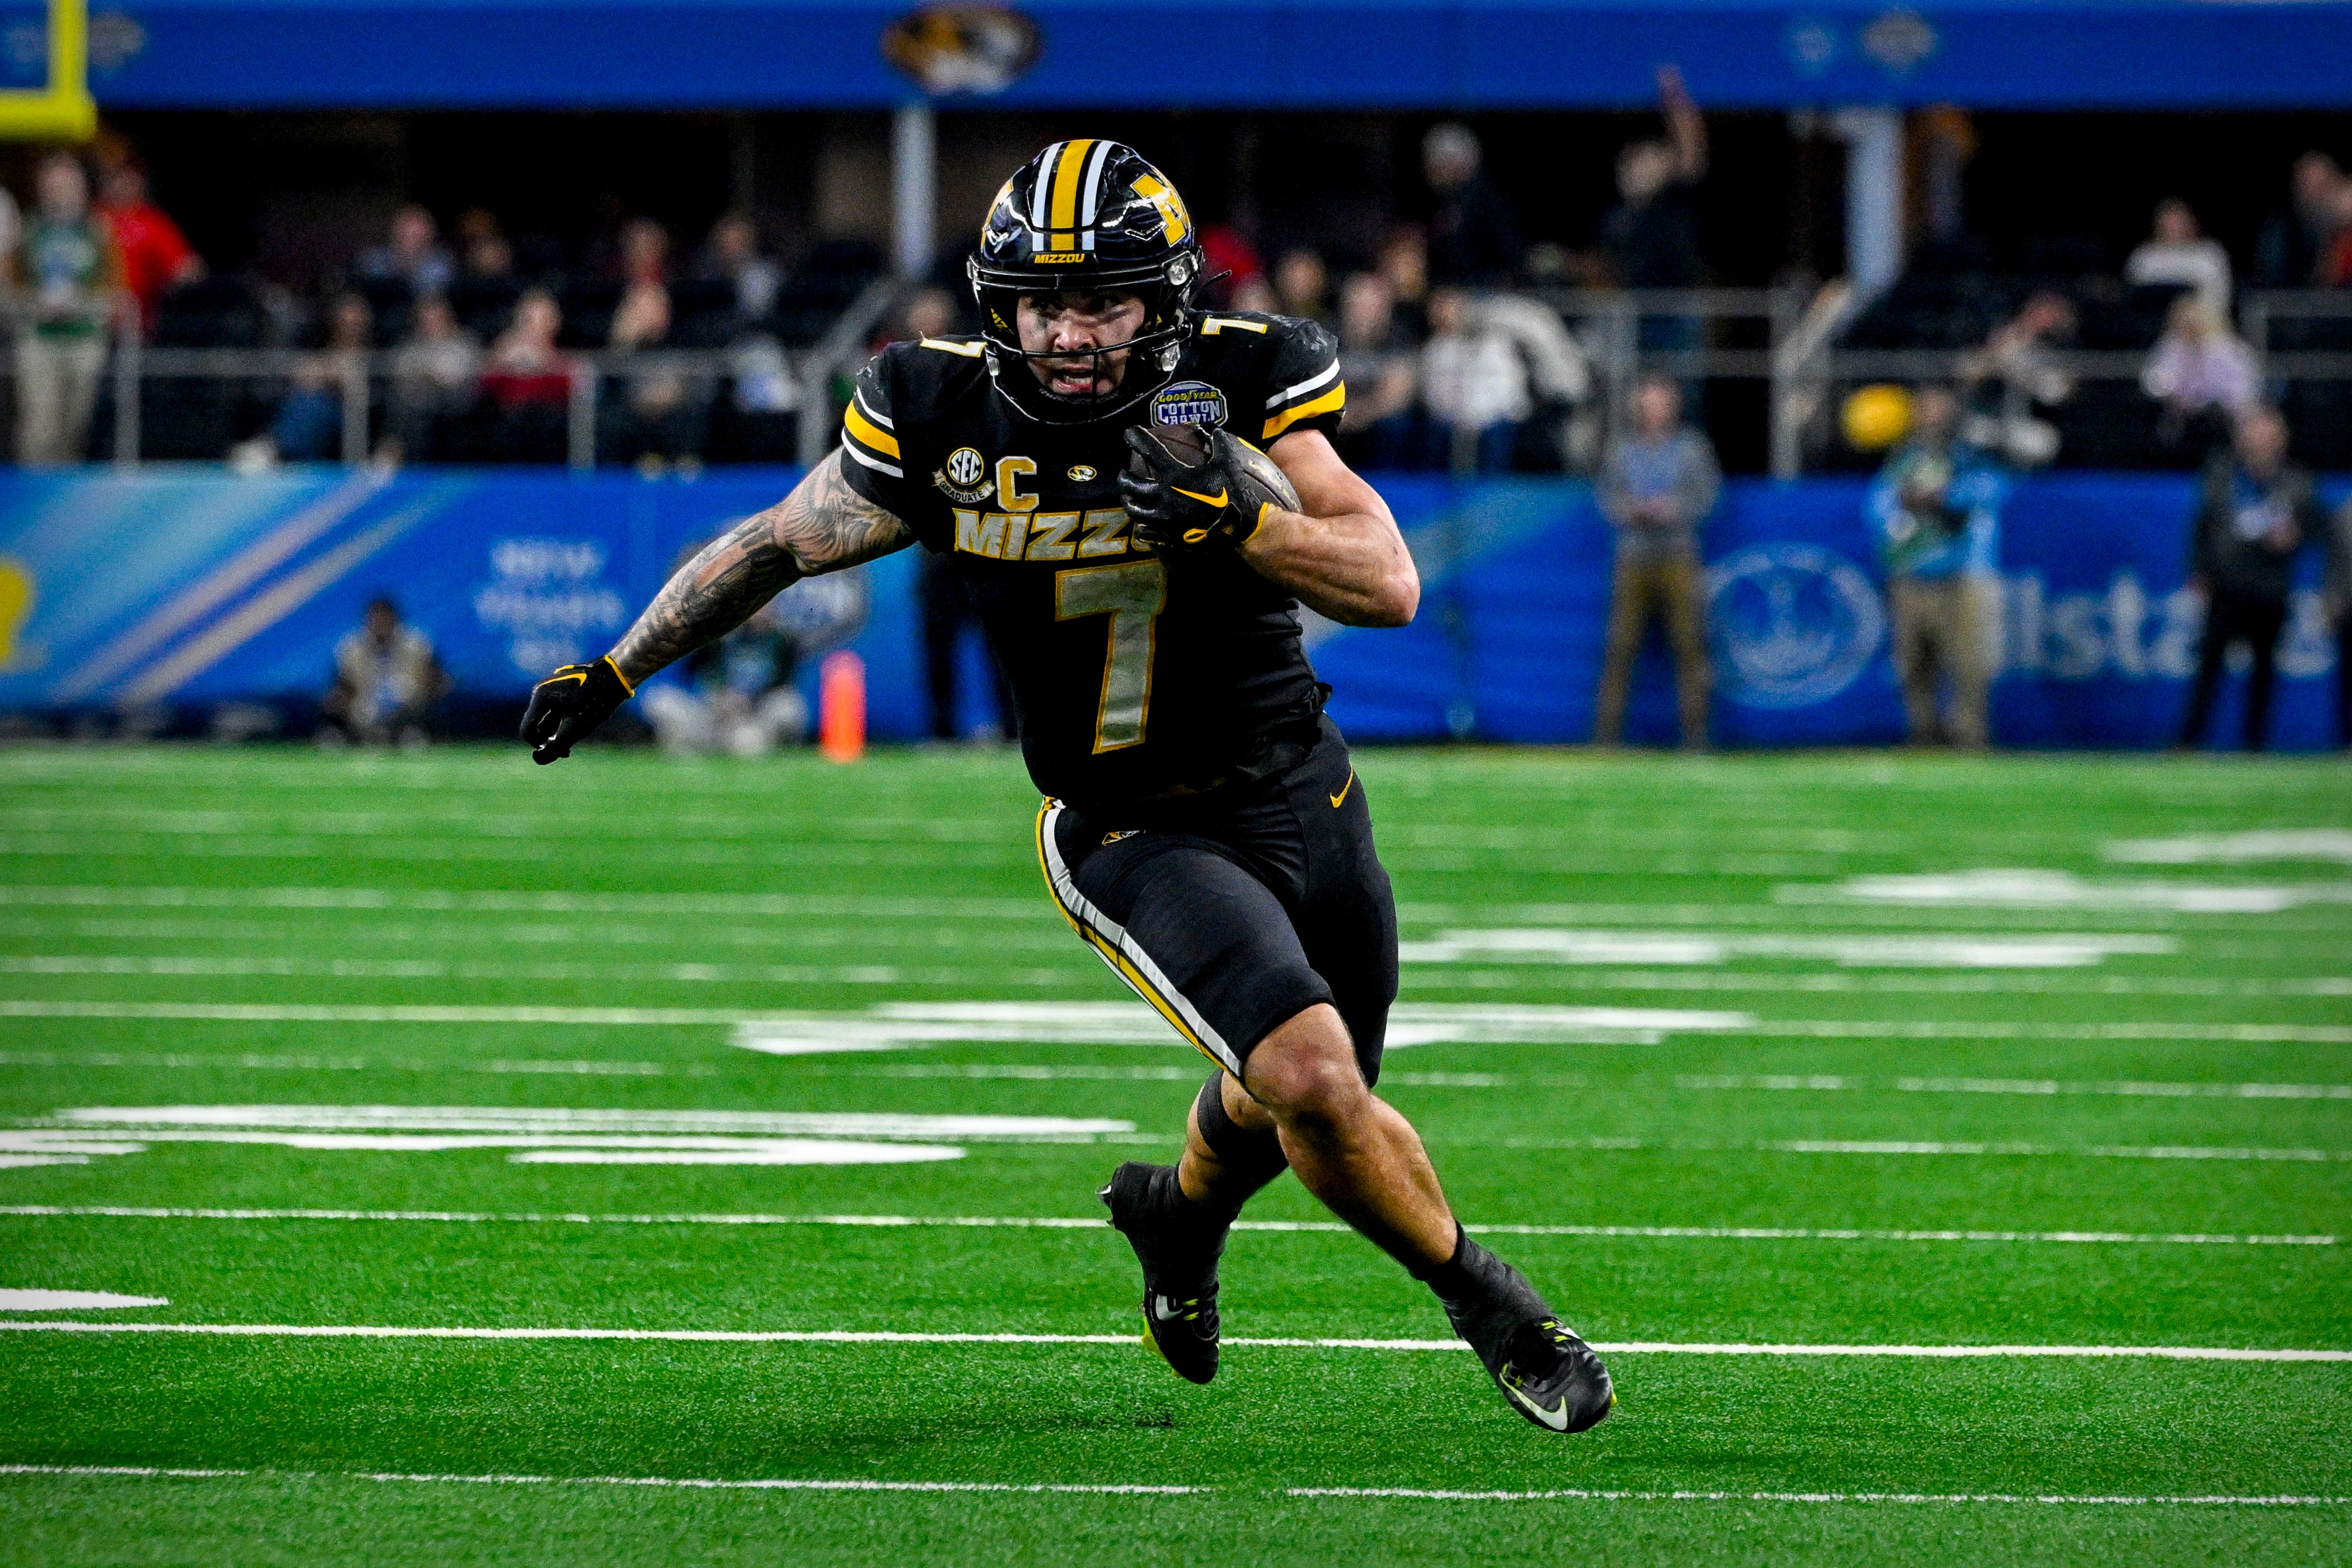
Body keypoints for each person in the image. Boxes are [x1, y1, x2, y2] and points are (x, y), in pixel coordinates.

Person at [519, 139, 1614, 1437]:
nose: (1067, 331)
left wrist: (1238, 521)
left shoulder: (1244, 379)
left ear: (1167, 300)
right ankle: (1493, 1307)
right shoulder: (940, 413)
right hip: (1130, 826)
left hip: (1303, 791)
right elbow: (772, 547)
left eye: (1099, 298)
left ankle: (1175, 1216)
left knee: (1297, 1099)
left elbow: (1385, 582)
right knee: (1315, 1081)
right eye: (1041, 301)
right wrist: (618, 669)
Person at [2177, 405, 2325, 752]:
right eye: (2252, 431)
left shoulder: (2296, 480)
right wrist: (2199, 571)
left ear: (2280, 438)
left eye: (2266, 432)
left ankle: (2255, 745)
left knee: (2263, 673)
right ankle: (2188, 743)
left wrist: (2294, 536)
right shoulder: (2223, 475)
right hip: (2228, 585)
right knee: (2209, 669)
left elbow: (2315, 527)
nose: (2258, 439)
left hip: (2270, 588)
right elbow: (2204, 526)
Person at [1868, 386, 2006, 749]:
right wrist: (1903, 503)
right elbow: (1877, 509)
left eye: (1940, 410)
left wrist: (1945, 497)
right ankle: (1923, 734)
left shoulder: (1969, 458)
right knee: (1913, 666)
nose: (1932, 418)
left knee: (1969, 667)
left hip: (1962, 576)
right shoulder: (1903, 462)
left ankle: (1970, 736)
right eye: (1926, 410)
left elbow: (1994, 491)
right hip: (1912, 577)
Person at [1592, 372, 1720, 748]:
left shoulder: (1691, 448)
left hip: (1679, 553)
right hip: (1633, 554)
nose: (1654, 410)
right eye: (1647, 402)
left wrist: (1675, 509)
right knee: (1620, 646)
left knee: (1689, 644)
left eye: (1660, 401)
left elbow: (1710, 495)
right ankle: (1606, 738)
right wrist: (1628, 510)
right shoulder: (1622, 449)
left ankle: (1697, 737)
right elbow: (1605, 497)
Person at [11, 153, 121, 467]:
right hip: (39, 337)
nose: (60, 193)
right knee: (39, 425)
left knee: (79, 424)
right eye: (53, 186)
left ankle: (67, 494)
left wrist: (84, 305)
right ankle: (32, 495)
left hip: (84, 337)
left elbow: (114, 284)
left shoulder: (98, 231)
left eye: (66, 186)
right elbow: (14, 282)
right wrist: (34, 303)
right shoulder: (30, 229)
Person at [1600, 66, 1708, 294]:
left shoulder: (1674, 201)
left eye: (1644, 159)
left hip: (1673, 309)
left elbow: (1691, 151)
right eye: (1629, 161)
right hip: (1631, 306)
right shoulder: (1616, 215)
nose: (1634, 168)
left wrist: (1673, 93)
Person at [1419, 286, 1529, 473]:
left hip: (1494, 419)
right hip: (1452, 420)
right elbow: (1433, 396)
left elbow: (1509, 392)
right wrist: (1459, 416)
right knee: (1435, 434)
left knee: (1498, 436)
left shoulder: (1497, 345)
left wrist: (1479, 416)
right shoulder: (1437, 349)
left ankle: (1494, 491)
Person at [2141, 294, 2259, 459]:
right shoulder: (2170, 347)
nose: (2187, 328)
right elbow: (2153, 381)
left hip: (2221, 418)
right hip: (2182, 415)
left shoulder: (2227, 349)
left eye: (2191, 322)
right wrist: (2173, 394)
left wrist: (2212, 402)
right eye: (2181, 323)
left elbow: (2244, 390)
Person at [321, 597, 448, 745]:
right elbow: (342, 685)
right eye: (376, 620)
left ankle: (413, 735)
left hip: (408, 707)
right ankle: (342, 737)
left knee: (426, 707)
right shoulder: (351, 647)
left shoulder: (417, 644)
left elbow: (438, 679)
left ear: (395, 621)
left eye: (385, 619)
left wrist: (426, 690)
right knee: (334, 706)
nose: (380, 624)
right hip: (363, 708)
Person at [97, 163, 201, 337]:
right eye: (114, 178)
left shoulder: (152, 222)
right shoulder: (91, 218)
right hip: (87, 317)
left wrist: (162, 283)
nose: (120, 184)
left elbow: (189, 270)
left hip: (136, 323)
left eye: (127, 177)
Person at [1332, 271, 1419, 470]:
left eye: (1372, 306)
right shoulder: (1327, 339)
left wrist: (1363, 413)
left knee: (1396, 425)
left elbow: (1397, 394)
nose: (1364, 312)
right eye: (1358, 305)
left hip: (1376, 418)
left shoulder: (1399, 340)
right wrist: (1342, 414)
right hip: (1338, 416)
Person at [382, 294, 480, 463]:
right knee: (406, 408)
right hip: (418, 404)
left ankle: (392, 452)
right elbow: (401, 375)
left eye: (436, 317)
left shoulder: (464, 342)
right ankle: (397, 457)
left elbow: (461, 379)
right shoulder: (411, 345)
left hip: (455, 405)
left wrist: (433, 376)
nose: (431, 323)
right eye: (426, 318)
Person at [1420, 123, 1521, 286]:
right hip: (1452, 292)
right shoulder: (1439, 202)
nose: (1431, 170)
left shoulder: (1489, 203)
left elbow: (1508, 255)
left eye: (1439, 163)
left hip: (1486, 291)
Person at [2125, 199, 2233, 321]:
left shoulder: (2210, 255)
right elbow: (2134, 301)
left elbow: (2220, 299)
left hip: (2204, 327)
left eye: (2178, 222)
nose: (2173, 228)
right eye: (2168, 223)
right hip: (2152, 330)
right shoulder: (2144, 258)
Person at [358, 204, 453, 297]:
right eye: (403, 236)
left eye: (416, 237)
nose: (409, 243)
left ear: (430, 237)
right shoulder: (373, 261)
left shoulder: (441, 268)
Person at [2327, 494, 2352, 750]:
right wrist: (2333, 599)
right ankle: (2347, 742)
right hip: (2349, 608)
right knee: (2347, 681)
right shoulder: (2346, 513)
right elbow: (2334, 563)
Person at [1273, 249, 1330, 325]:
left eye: (1308, 278)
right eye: (1297, 279)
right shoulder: (1273, 321)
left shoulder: (1332, 323)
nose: (1304, 286)